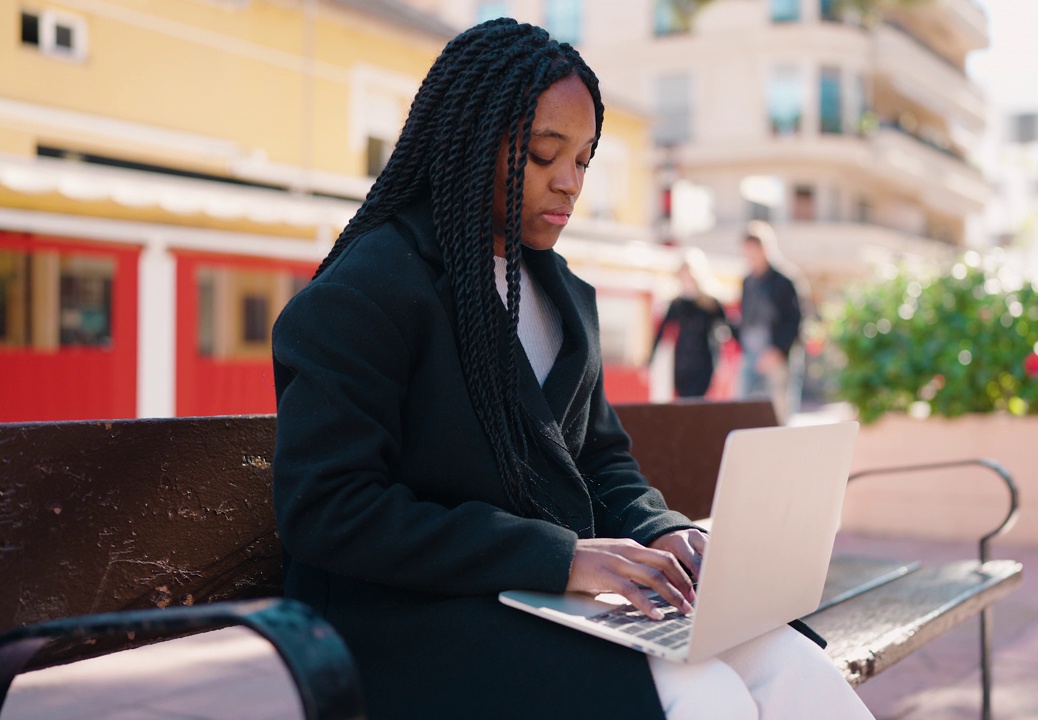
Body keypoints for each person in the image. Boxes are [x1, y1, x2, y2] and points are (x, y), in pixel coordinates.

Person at [271, 19, 874, 720]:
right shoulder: (366, 293)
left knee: (789, 664)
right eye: (543, 153)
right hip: (406, 622)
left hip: (537, 600)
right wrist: (559, 559)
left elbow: (599, 459)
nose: (570, 182)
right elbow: (328, 510)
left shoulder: (560, 294)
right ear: (466, 143)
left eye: (585, 159)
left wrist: (662, 533)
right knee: (699, 694)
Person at [735, 222, 804, 422]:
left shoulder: (785, 280)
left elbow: (796, 320)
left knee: (779, 414)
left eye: (753, 251)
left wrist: (777, 349)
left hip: (777, 358)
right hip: (750, 356)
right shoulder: (747, 281)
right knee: (745, 412)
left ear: (765, 249)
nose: (750, 256)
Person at [648, 250, 728, 398]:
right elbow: (662, 331)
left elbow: (727, 327)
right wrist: (650, 359)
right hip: (682, 362)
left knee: (699, 402)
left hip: (704, 360)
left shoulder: (711, 303)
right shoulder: (677, 303)